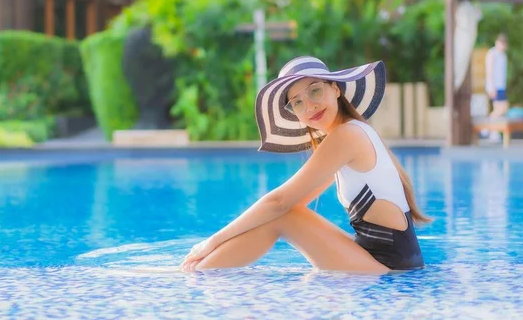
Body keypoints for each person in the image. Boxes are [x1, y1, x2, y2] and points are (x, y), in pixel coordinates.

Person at [180, 56, 431, 274]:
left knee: (285, 216)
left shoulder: (347, 136)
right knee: (286, 214)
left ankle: (200, 273)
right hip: (388, 260)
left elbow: (279, 203)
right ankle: (203, 268)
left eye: (315, 91)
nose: (310, 106)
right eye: (297, 102)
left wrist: (212, 242)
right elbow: (289, 203)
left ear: (335, 89)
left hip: (391, 268)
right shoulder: (351, 133)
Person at [482, 33, 509, 142]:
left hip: (501, 85)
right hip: (494, 86)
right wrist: (491, 86)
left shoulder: (503, 55)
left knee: (503, 108)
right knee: (498, 108)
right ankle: (490, 130)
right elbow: (489, 70)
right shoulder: (492, 53)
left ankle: (489, 129)